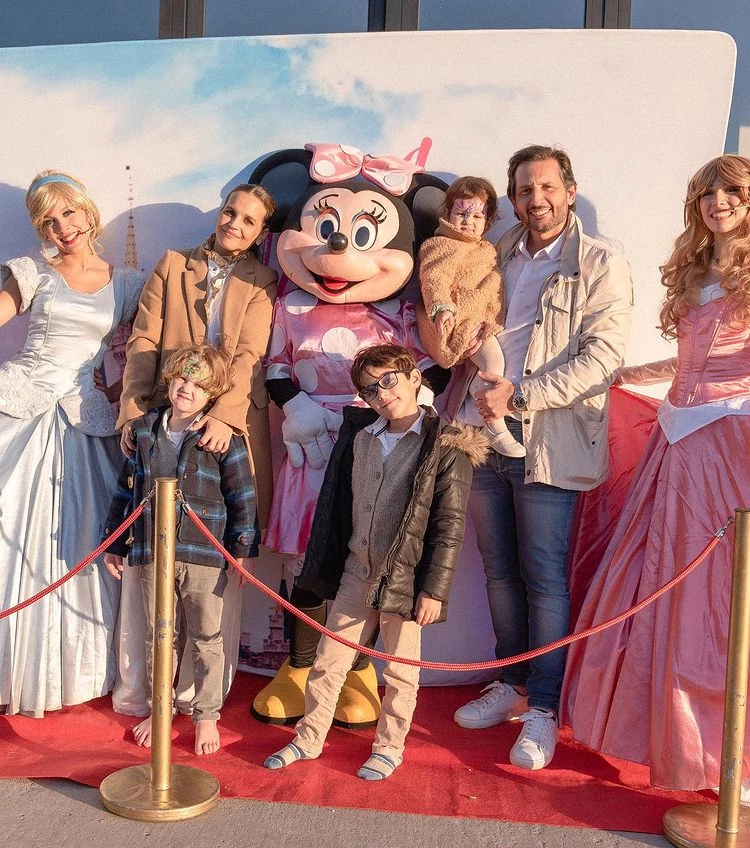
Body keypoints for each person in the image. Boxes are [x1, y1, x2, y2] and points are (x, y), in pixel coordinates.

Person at [419, 145, 633, 770]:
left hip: (547, 438)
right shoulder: (495, 250)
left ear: (569, 189)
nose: (535, 199)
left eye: (545, 187)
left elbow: (602, 358)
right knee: (497, 572)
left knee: (543, 577)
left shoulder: (599, 261)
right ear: (511, 198)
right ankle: (511, 684)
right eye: (523, 189)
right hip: (476, 434)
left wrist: (521, 398)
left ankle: (543, 704)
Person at [562, 154, 750, 793]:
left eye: (731, 191)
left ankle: (727, 756)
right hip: (679, 440)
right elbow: (692, 358)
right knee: (658, 577)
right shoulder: (701, 270)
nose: (717, 202)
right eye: (706, 193)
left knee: (719, 593)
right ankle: (666, 739)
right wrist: (639, 376)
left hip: (727, 441)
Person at [263, 343, 485, 779]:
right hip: (355, 572)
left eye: (389, 380)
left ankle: (390, 747)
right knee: (329, 661)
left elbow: (449, 525)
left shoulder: (446, 445)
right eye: (369, 389)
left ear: (414, 378)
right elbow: (339, 504)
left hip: (403, 579)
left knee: (401, 672)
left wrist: (434, 591)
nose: (382, 394)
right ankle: (309, 738)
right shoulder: (361, 436)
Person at [112, 182, 278, 718]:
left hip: (226, 423)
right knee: (150, 560)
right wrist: (134, 409)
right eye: (231, 212)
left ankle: (201, 699)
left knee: (212, 564)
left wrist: (225, 418)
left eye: (249, 221)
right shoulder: (172, 264)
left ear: (260, 233)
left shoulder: (262, 281)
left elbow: (250, 353)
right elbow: (144, 339)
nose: (235, 223)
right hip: (168, 416)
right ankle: (148, 695)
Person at [0, 170, 144, 717]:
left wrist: (119, 392)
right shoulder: (31, 271)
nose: (61, 227)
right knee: (12, 533)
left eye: (68, 213)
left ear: (87, 212)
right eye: (48, 220)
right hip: (20, 408)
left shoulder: (128, 281)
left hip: (85, 420)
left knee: (78, 544)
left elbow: (141, 350)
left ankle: (71, 671)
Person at [103, 342, 257, 756]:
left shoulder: (222, 439)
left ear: (213, 394)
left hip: (204, 554)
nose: (187, 387)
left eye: (199, 384)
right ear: (170, 380)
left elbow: (242, 495)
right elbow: (126, 490)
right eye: (183, 378)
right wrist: (115, 541)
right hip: (153, 549)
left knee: (208, 637)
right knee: (161, 637)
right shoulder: (142, 432)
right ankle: (161, 711)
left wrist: (239, 550)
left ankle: (206, 716)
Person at [418, 175, 524, 457]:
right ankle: (495, 425)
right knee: (493, 362)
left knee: (468, 379)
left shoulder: (486, 249)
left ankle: (458, 420)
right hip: (460, 321)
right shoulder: (439, 245)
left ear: (488, 220)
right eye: (462, 213)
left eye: (478, 215)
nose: (469, 221)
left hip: (483, 320)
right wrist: (441, 307)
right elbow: (434, 279)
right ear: (449, 213)